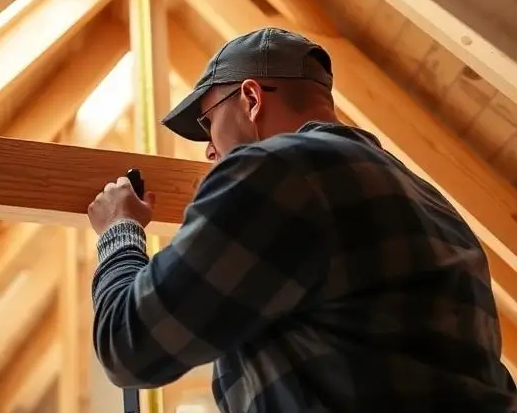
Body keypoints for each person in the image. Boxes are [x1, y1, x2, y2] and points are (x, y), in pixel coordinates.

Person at [86, 27, 517, 412]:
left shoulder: (277, 171)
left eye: (208, 121)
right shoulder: (439, 209)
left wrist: (119, 232)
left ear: (252, 99)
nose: (209, 151)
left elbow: (130, 345)